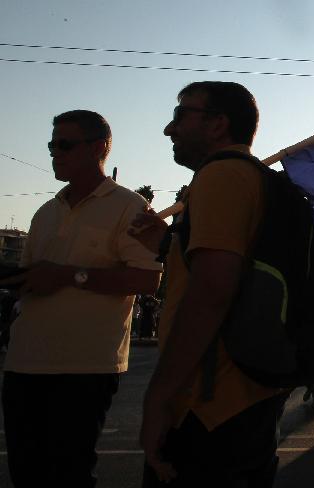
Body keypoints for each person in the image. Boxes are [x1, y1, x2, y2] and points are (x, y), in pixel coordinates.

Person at [129, 81, 286, 487]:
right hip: (245, 397)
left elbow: (212, 292)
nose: (170, 128)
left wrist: (160, 395)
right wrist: (167, 243)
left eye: (181, 114)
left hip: (208, 405)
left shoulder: (222, 176)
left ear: (218, 124)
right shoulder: (252, 178)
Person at [0, 110, 162, 487]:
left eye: (65, 145)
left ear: (99, 148)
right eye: (52, 145)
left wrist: (68, 275)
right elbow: (31, 278)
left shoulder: (129, 207)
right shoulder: (45, 212)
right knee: (26, 474)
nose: (55, 153)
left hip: (83, 369)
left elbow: (148, 280)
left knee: (68, 474)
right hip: (24, 363)